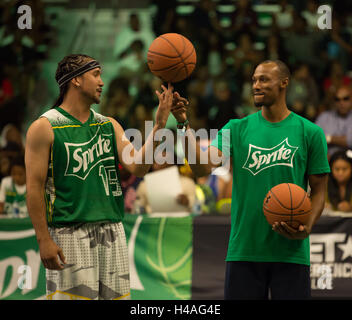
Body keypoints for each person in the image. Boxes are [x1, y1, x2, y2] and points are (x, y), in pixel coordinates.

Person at [25, 53, 183, 300]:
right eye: (96, 74)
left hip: (112, 231)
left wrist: (159, 126)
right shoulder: (44, 127)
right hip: (70, 233)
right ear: (76, 80)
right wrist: (43, 239)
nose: (102, 82)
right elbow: (34, 188)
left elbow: (138, 168)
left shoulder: (110, 125)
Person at [171, 60, 330, 299]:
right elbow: (202, 168)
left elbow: (319, 190)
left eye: (264, 79)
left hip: (291, 251)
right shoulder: (235, 128)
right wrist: (183, 125)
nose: (256, 85)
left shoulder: (310, 132)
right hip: (244, 251)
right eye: (254, 80)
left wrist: (306, 228)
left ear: (284, 83)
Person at [315, 85, 352, 157]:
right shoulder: (324, 117)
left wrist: (328, 138)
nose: (341, 102)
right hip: (327, 159)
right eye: (337, 99)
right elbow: (315, 139)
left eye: (345, 98)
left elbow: (350, 141)